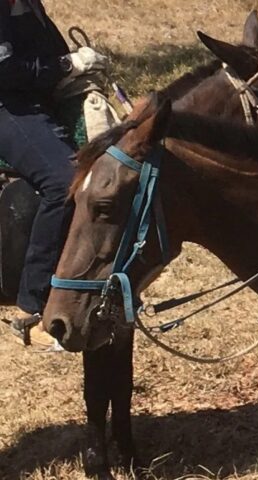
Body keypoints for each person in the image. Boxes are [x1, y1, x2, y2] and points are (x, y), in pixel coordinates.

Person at [0, 0, 107, 347]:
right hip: (7, 106)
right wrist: (65, 65)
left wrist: (77, 66)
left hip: (32, 102)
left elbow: (45, 54)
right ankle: (31, 306)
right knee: (64, 181)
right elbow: (6, 70)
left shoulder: (28, 4)